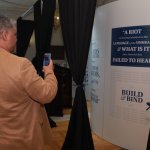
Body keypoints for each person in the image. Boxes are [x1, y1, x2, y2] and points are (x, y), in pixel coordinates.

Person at [0, 14, 58, 150]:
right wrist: (49, 71)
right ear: (4, 35)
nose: (17, 39)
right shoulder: (21, 65)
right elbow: (47, 94)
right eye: (15, 35)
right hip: (23, 140)